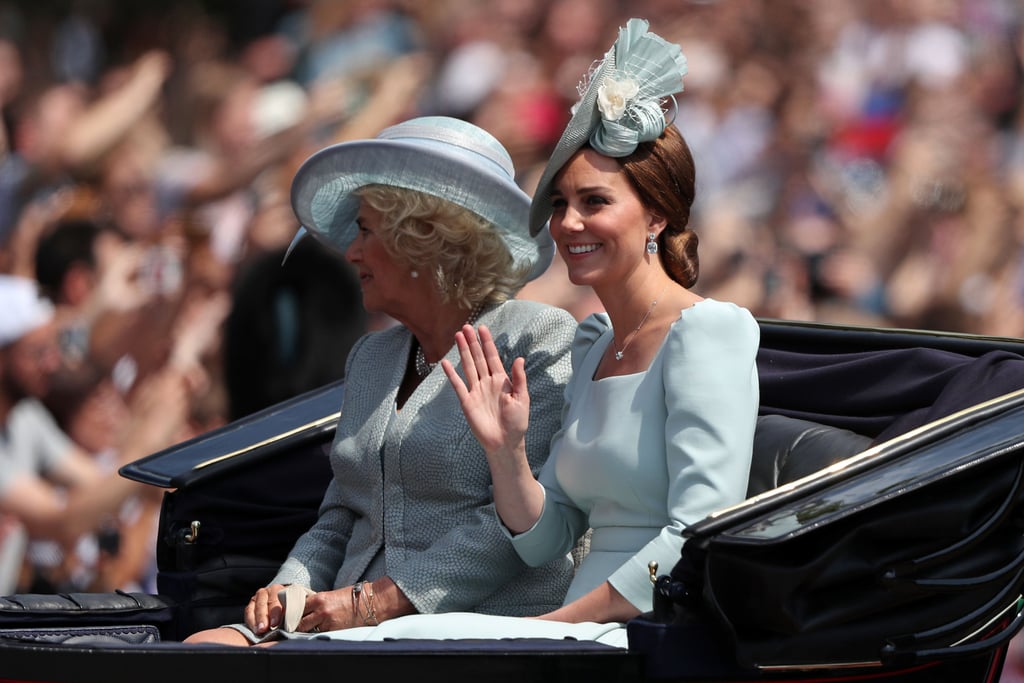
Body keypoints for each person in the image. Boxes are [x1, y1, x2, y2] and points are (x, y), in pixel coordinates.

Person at [241, 18, 759, 649]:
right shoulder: (595, 342)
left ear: (656, 214)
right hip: (571, 632)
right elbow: (550, 534)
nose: (568, 223)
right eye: (562, 202)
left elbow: (698, 533)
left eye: (594, 202)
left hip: (650, 633)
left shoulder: (711, 331)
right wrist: (507, 456)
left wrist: (564, 624)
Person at [184, 115, 577, 646]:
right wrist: (286, 591)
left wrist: (376, 603)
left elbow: (521, 524)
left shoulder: (536, 338)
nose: (351, 253)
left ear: (423, 239)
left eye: (366, 231)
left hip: (472, 628)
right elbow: (342, 514)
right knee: (204, 651)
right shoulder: (372, 356)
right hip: (347, 623)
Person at [0, 274, 189, 594]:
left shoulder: (25, 417)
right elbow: (63, 522)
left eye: (52, 348)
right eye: (37, 352)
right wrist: (148, 442)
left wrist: (149, 425)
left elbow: (101, 481)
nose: (53, 362)